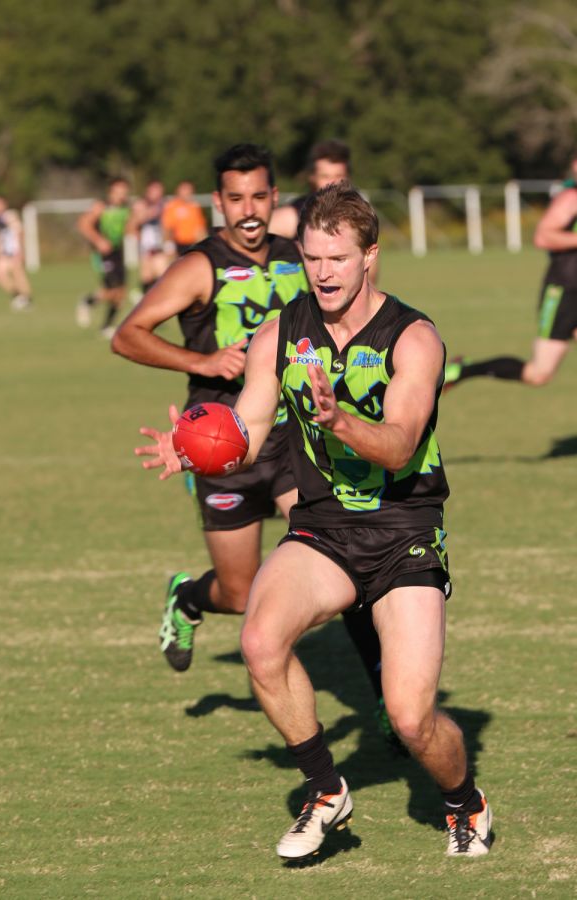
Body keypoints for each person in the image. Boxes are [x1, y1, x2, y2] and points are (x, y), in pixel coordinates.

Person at [135, 183, 492, 860]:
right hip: (323, 529)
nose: (323, 272)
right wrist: (197, 446)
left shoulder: (414, 337)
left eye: (338, 258)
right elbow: (249, 424)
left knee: (411, 718)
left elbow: (400, 445)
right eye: (312, 257)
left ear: (369, 257)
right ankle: (326, 792)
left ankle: (463, 801)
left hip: (405, 532)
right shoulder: (280, 333)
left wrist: (337, 420)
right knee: (260, 642)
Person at [114, 144, 398, 748]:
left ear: (275, 198)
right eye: (236, 198)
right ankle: (189, 598)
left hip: (297, 440)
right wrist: (202, 361)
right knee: (240, 593)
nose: (249, 209)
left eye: (260, 196)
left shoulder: (302, 256)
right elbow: (127, 335)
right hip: (225, 442)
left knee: (345, 562)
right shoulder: (199, 266)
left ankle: (384, 695)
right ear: (218, 202)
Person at [445, 154, 577, 390]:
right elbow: (543, 236)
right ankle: (464, 370)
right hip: (564, 291)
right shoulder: (571, 198)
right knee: (539, 374)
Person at [76, 177, 131, 338]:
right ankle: (88, 303)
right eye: (118, 191)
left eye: (124, 191)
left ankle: (105, 324)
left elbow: (127, 228)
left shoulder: (126, 208)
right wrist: (98, 240)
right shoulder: (101, 206)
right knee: (112, 290)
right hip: (103, 254)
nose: (121, 195)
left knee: (121, 293)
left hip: (118, 251)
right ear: (111, 192)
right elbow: (83, 224)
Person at [269, 139, 351, 240]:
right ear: (312, 177)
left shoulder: (358, 214)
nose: (332, 182)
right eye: (325, 176)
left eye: (338, 176)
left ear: (348, 177)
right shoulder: (293, 216)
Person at [126, 179, 171, 295]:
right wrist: (146, 215)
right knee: (147, 277)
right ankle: (142, 295)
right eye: (155, 190)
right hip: (145, 248)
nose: (157, 193)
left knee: (162, 275)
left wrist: (168, 244)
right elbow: (131, 226)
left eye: (160, 190)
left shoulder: (164, 204)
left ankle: (156, 298)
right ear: (148, 191)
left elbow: (167, 226)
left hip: (159, 246)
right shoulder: (140, 205)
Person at [0, 195, 33, 310]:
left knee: (19, 275)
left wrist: (20, 251)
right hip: (4, 253)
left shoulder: (10, 215)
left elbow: (19, 232)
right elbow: (2, 234)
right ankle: (18, 296)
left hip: (13, 251)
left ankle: (27, 299)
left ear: (3, 204)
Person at [161, 180, 208, 257]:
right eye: (185, 189)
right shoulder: (172, 206)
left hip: (192, 244)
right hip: (177, 244)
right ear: (178, 191)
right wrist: (169, 245)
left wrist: (203, 245)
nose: (187, 192)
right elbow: (167, 228)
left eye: (189, 190)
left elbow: (200, 228)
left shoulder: (195, 207)